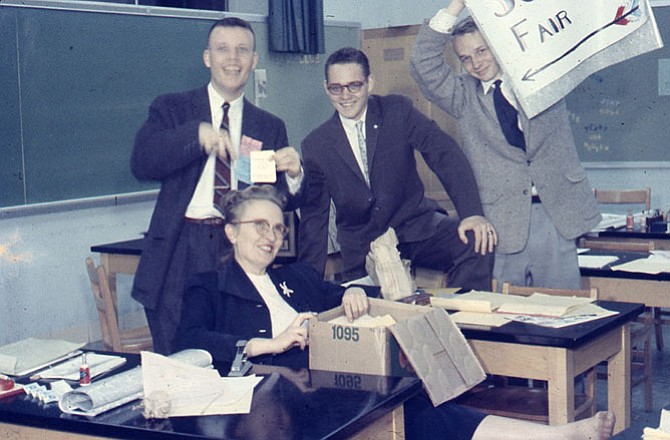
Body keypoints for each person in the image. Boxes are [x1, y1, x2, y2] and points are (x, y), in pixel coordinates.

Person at [175, 185, 615, 440]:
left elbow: (337, 294)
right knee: (416, 412)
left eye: (276, 227)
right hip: (270, 405)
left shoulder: (296, 277)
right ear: (231, 232)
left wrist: (350, 295)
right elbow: (186, 341)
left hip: (325, 388)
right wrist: (264, 344)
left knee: (415, 403)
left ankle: (550, 436)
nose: (271, 236)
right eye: (259, 226)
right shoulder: (208, 285)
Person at [130, 17, 303, 355]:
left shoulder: (270, 126)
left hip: (239, 250)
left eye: (242, 51)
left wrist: (295, 174)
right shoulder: (173, 109)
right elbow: (142, 162)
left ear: (254, 61)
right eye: (222, 49)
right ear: (207, 57)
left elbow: (277, 199)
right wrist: (194, 136)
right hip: (179, 249)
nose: (233, 59)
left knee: (235, 350)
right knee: (178, 359)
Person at [410, 0, 601, 290]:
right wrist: (456, 6)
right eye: (465, 58)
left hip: (555, 214)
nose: (476, 63)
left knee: (563, 310)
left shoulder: (543, 74)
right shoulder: (463, 96)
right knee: (507, 315)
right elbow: (422, 64)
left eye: (482, 51)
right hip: (500, 222)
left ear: (498, 44)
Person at [298, 47, 495, 290]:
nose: (345, 95)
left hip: (416, 231)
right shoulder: (316, 144)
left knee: (476, 239)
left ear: (370, 83)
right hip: (363, 249)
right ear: (326, 88)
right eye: (336, 88)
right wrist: (306, 288)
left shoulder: (397, 111)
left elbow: (444, 154)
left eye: (354, 85)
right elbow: (314, 219)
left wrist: (472, 213)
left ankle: (463, 325)